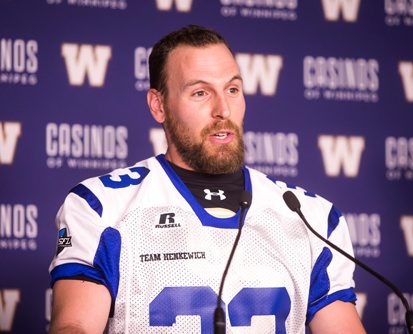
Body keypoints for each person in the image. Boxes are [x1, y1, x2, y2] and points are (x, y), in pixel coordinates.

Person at [48, 25, 366, 333]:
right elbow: (75, 325)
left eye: (232, 89)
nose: (222, 109)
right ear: (158, 106)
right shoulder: (100, 206)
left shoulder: (312, 217)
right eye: (201, 92)